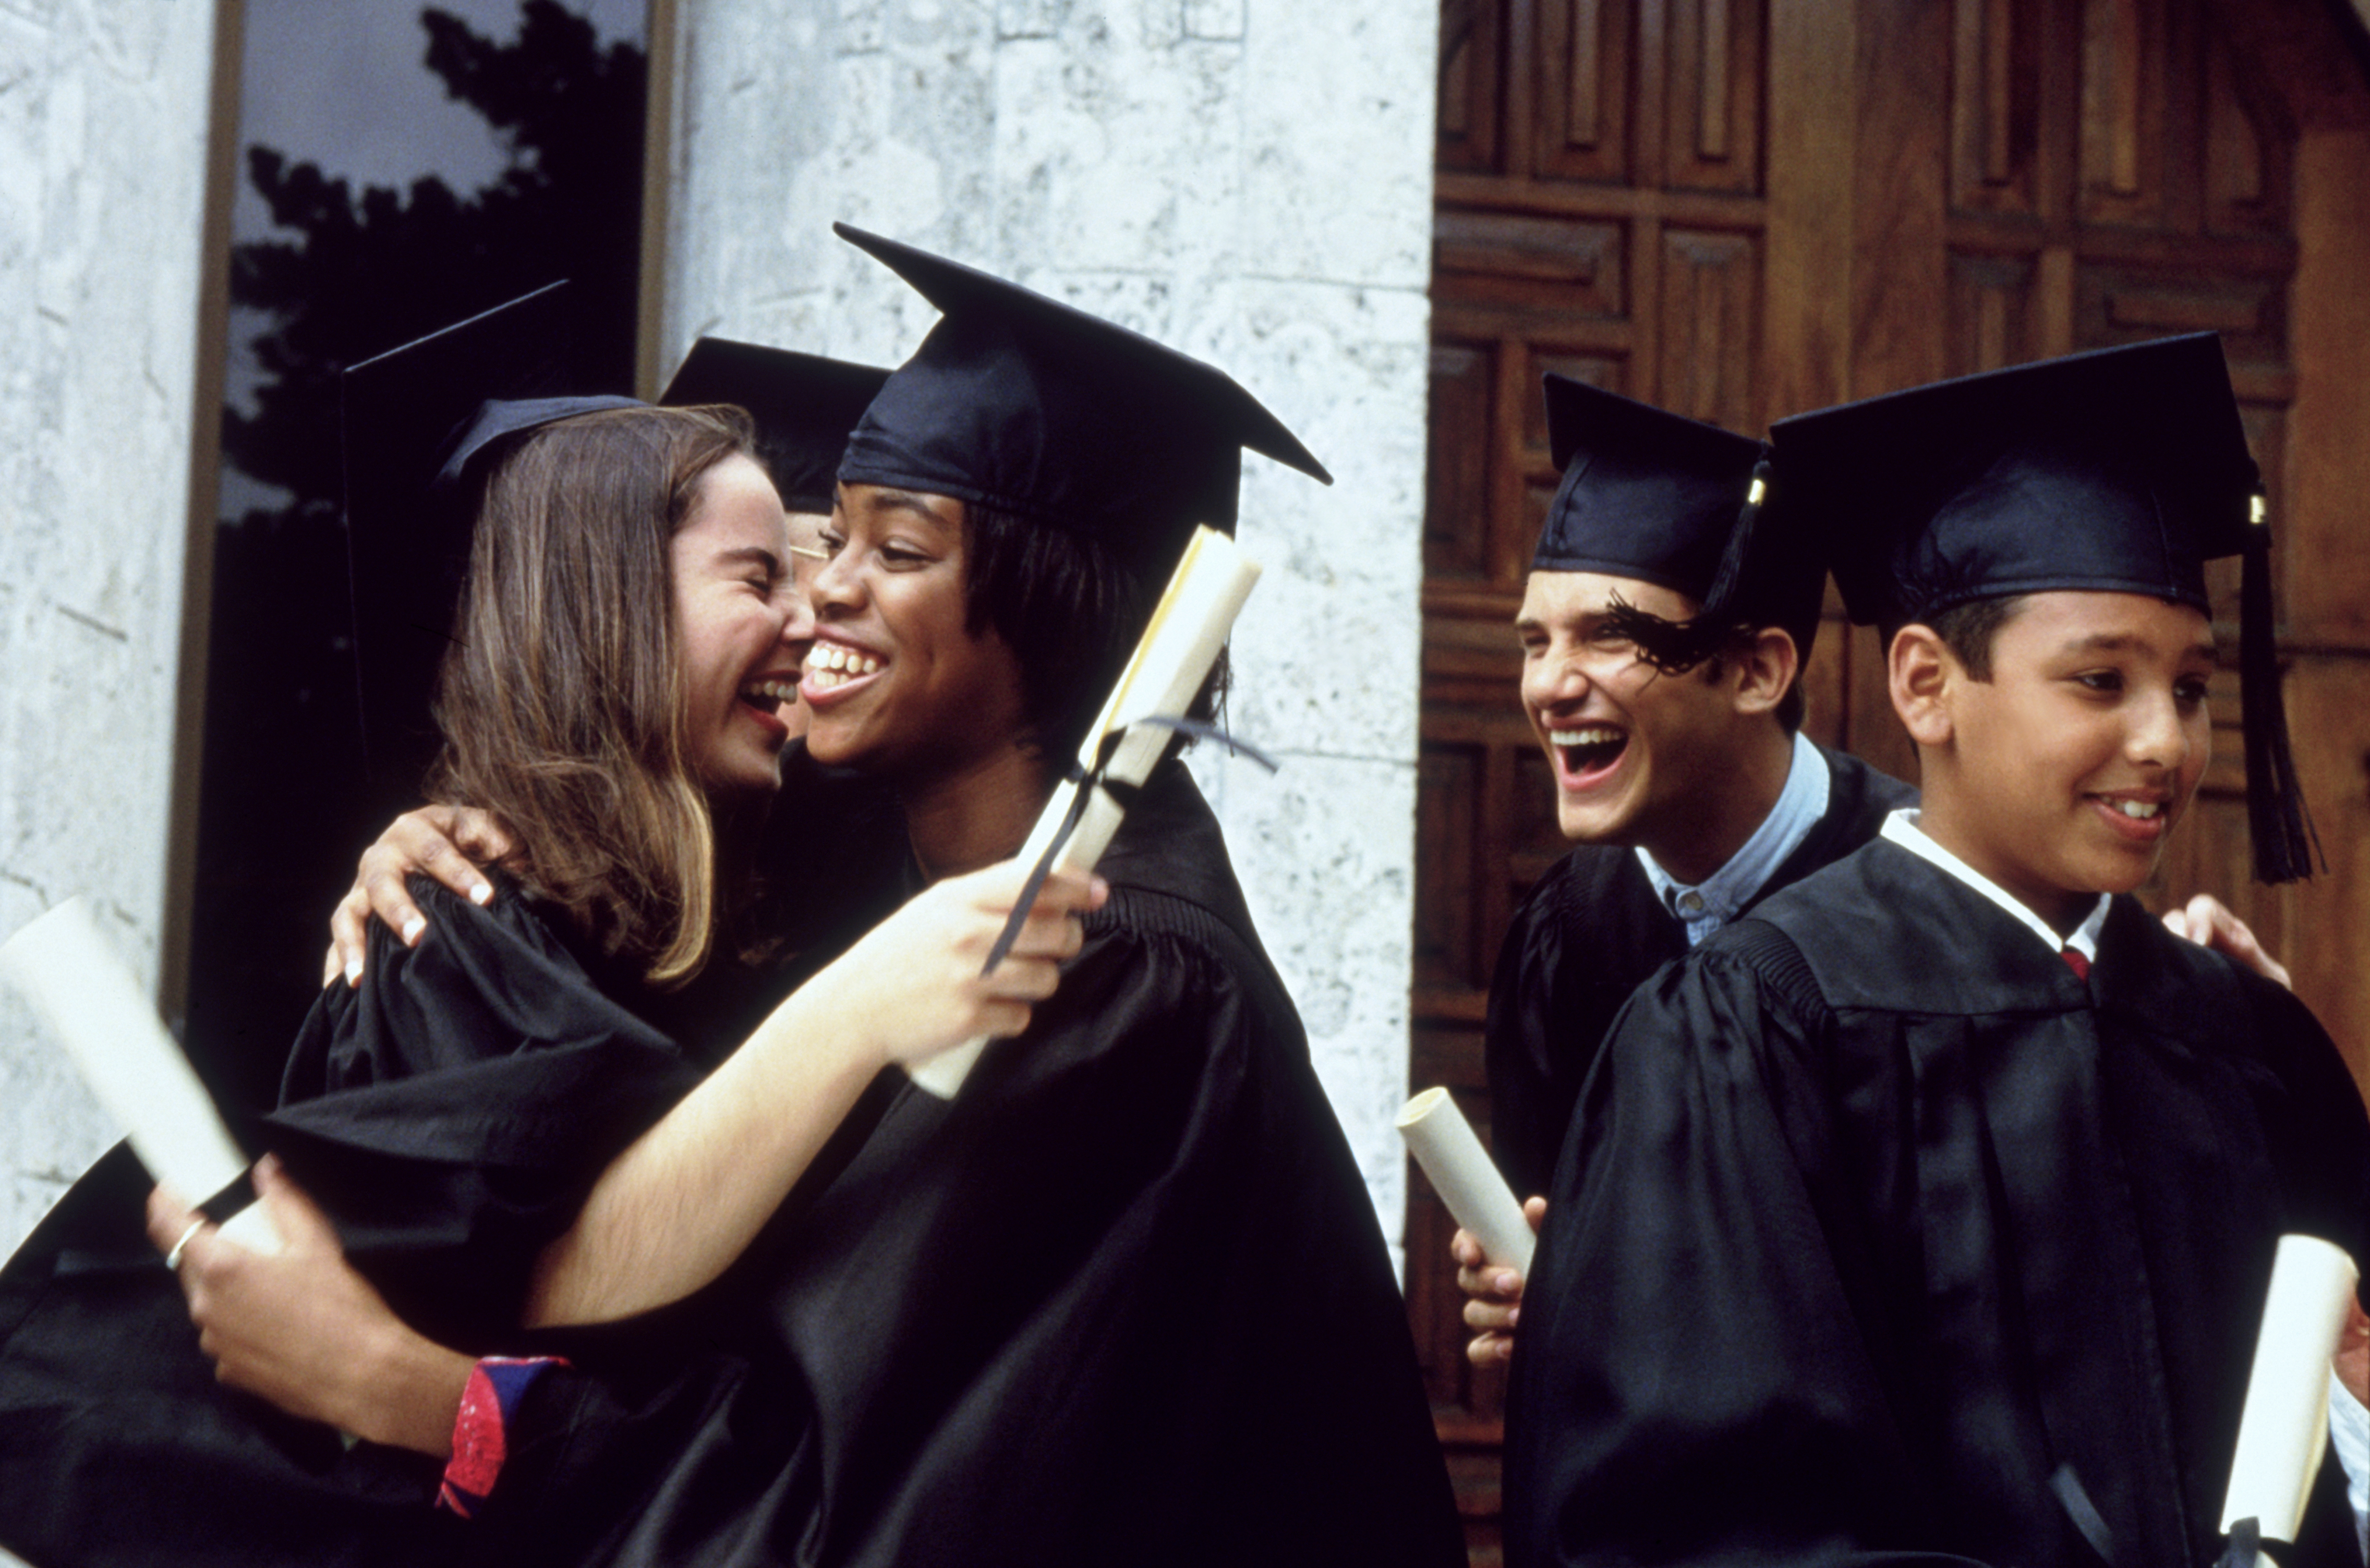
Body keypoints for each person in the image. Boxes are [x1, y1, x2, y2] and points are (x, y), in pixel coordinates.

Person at [177, 228, 1468, 1567]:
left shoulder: (1106, 974)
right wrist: (442, 833)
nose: (819, 598)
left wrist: (419, 1399)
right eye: (817, 543)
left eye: (893, 549)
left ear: (1052, 608)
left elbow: (841, 1516)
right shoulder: (884, 890)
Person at [0, 296, 1097, 1565]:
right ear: (609, 609)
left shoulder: (743, 911)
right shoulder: (464, 939)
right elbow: (563, 1278)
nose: (816, 621)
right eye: (763, 577)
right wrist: (861, 1005)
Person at [1501, 333, 2370, 1566]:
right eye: (2098, 680)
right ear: (1924, 685)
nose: (2165, 742)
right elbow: (1702, 1528)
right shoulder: (1752, 1029)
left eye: (2188, 687)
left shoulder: (2246, 1043)